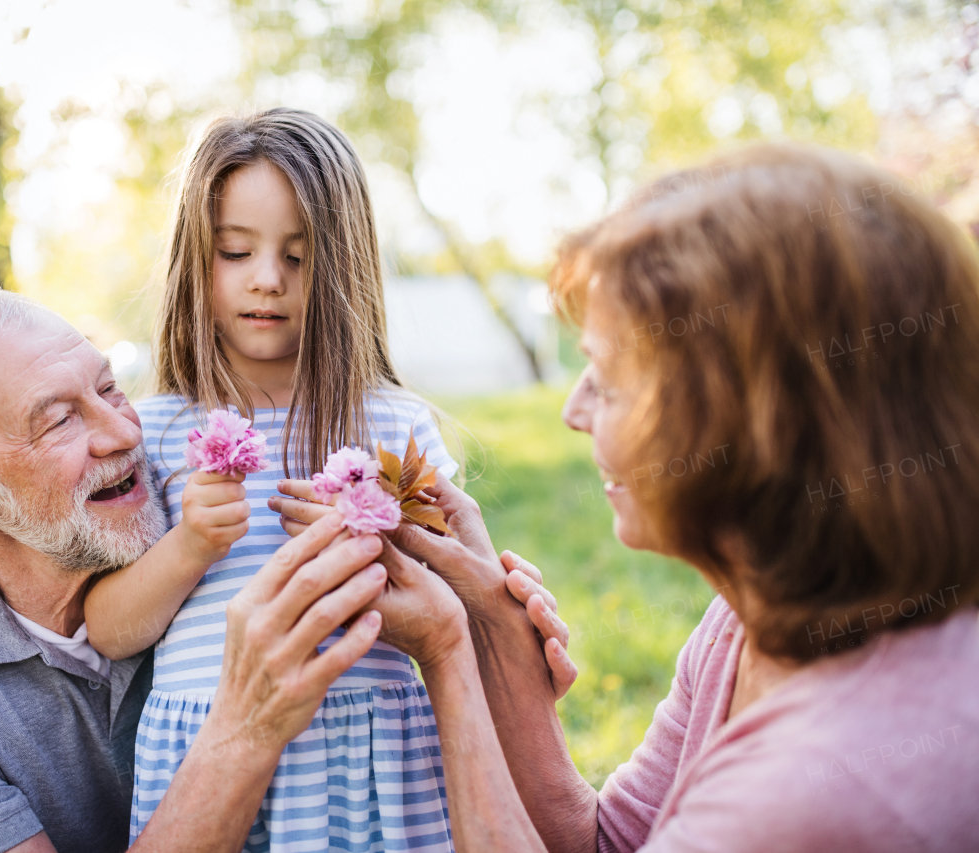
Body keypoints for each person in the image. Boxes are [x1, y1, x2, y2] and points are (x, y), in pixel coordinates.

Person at [276, 143, 979, 851]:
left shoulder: (819, 787)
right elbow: (605, 842)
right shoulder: (743, 623)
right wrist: (494, 631)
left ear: (753, 415)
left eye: (609, 380)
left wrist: (450, 655)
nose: (574, 410)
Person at [0, 289, 399, 853]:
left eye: (109, 389)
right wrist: (246, 729)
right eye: (58, 420)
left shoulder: (205, 517)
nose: (124, 432)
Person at [83, 108, 458, 852]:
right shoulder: (156, 431)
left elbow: (459, 598)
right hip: (214, 744)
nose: (266, 279)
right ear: (197, 257)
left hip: (369, 743)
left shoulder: (391, 422)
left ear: (344, 264)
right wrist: (189, 543)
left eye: (298, 255)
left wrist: (373, 548)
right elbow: (110, 627)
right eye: (235, 251)